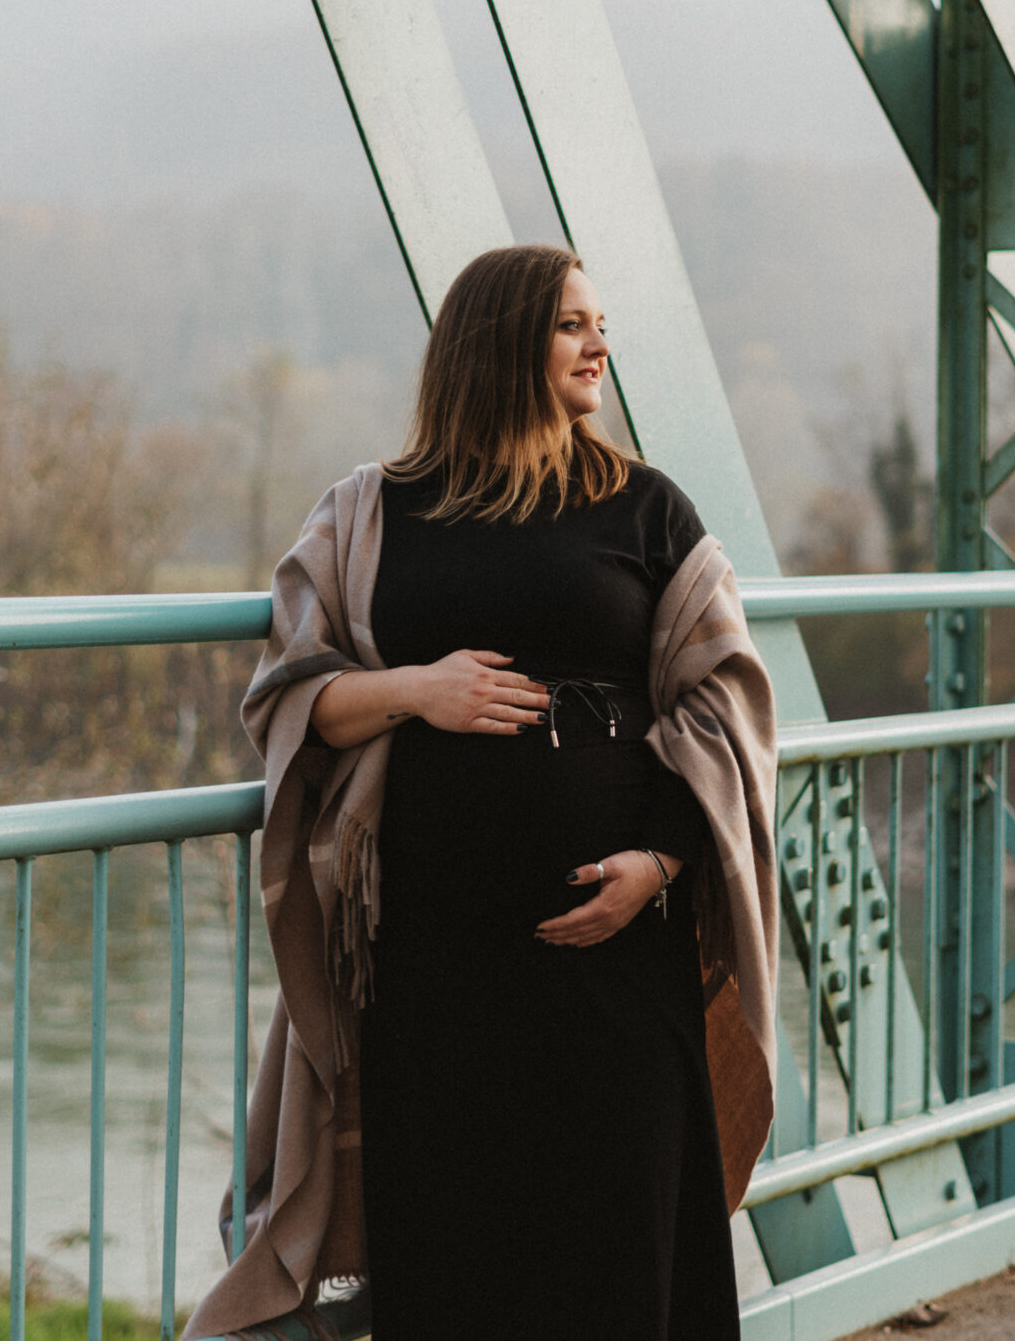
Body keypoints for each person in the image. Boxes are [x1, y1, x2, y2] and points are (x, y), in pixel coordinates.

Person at [188, 244, 781, 1341]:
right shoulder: (371, 512)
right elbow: (293, 696)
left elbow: (726, 701)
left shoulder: (645, 509)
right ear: (500, 342)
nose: (599, 347)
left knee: (623, 1250)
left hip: (617, 953)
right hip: (436, 962)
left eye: (602, 325)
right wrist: (417, 690)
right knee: (457, 1255)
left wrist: (660, 859)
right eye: (571, 325)